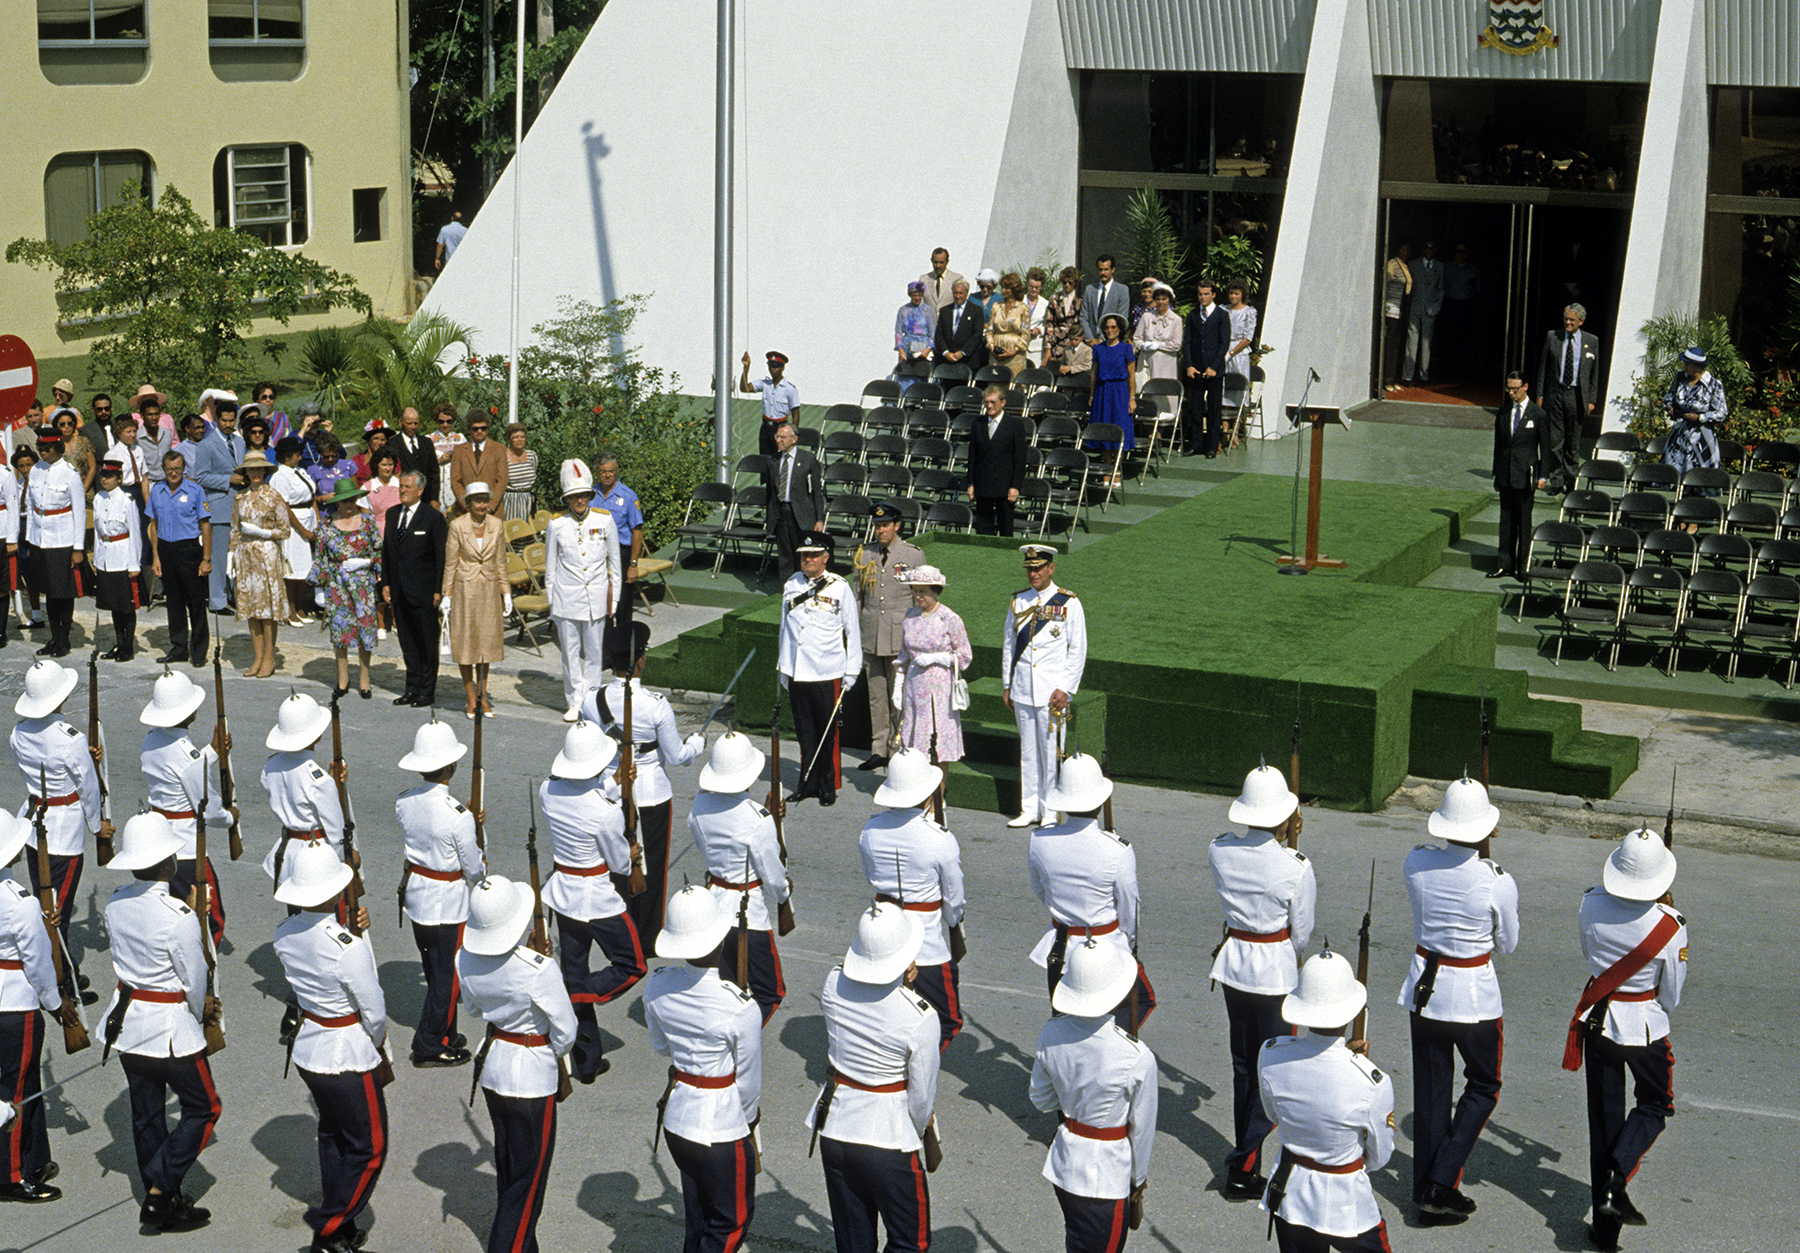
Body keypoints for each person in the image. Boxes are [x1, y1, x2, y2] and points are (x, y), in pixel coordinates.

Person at [1400, 776, 1519, 1224]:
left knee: (1431, 1092)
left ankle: (1425, 1190)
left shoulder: (1417, 862)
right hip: (1472, 996)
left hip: (1426, 988)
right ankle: (1441, 1180)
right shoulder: (1496, 881)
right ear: (1486, 828)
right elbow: (1506, 943)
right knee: (1484, 1086)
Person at [101, 812, 222, 1233]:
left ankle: (163, 1194)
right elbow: (194, 978)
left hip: (130, 1021)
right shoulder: (178, 915)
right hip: (170, 1025)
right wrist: (202, 1011)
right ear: (169, 862)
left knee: (147, 1112)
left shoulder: (116, 901)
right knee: (205, 1107)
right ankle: (160, 1188)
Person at [1571, 829, 1687, 1253]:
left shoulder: (1590, 904)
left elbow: (1590, 955)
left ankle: (1605, 1233)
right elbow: (1671, 992)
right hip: (1644, 1027)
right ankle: (1617, 1178)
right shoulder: (1670, 926)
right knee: (1656, 1104)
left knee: (1604, 1122)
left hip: (1599, 1019)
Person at [271, 838, 388, 1253]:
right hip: (347, 1053)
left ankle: (341, 1226)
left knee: (334, 1135)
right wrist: (376, 1045)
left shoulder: (284, 934)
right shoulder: (348, 948)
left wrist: (352, 932)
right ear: (337, 891)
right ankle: (329, 1224)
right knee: (370, 1147)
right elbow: (373, 1011)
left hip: (310, 1047)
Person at [806, 902, 941, 1253]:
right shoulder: (920, 1016)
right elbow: (921, 1100)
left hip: (835, 1127)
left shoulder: (833, 982)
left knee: (853, 1242)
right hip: (889, 1138)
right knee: (911, 1242)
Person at [1208, 763, 1315, 1199]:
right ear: (1283, 817)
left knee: (1243, 1066)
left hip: (1234, 966)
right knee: (1274, 1070)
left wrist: (1282, 836)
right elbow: (1301, 932)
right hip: (1273, 971)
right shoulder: (1296, 866)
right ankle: (1244, 1163)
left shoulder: (1219, 849)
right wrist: (1288, 843)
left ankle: (1246, 1157)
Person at [456, 877, 577, 1253]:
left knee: (510, 1170)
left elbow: (475, 1009)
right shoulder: (538, 968)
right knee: (528, 1184)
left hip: (494, 1069)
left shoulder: (465, 957)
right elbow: (566, 1031)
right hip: (531, 1077)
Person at [643, 885, 764, 1253]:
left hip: (678, 1118)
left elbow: (662, 1046)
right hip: (722, 1127)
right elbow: (748, 1083)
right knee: (730, 1221)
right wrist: (746, 1126)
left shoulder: (658, 985)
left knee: (698, 1219)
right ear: (721, 939)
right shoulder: (740, 1006)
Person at [1256, 950, 1395, 1253]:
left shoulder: (1271, 1054)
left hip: (1291, 1190)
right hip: (1347, 1202)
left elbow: (1273, 1114)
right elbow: (1380, 1157)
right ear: (1352, 1011)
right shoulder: (1372, 1082)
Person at [1029, 937, 1159, 1253]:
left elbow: (1041, 1099)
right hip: (1107, 1178)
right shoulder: (1136, 1056)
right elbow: (1141, 1131)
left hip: (1064, 1164)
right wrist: (1137, 1181)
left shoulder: (1052, 1032)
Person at [585, 621, 704, 942]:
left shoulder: (592, 700)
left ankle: (619, 931)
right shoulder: (655, 704)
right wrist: (697, 744)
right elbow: (678, 756)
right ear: (640, 660)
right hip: (651, 796)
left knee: (615, 864)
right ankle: (647, 936)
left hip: (609, 791)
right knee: (650, 866)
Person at [540, 720, 643, 1081]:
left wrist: (614, 785)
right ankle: (575, 994)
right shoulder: (606, 812)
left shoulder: (547, 791)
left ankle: (586, 1060)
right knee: (632, 965)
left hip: (563, 892)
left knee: (575, 967)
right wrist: (631, 852)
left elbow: (581, 799)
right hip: (596, 898)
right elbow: (617, 861)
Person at [1029, 753, 1155, 1034]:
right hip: (1107, 945)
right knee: (1142, 1000)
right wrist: (1128, 944)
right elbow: (1129, 906)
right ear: (1100, 801)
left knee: (1066, 1022)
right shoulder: (1117, 849)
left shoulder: (1039, 840)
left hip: (1061, 946)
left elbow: (1041, 889)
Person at [859, 748, 967, 1051]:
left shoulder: (870, 828)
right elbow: (954, 898)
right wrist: (954, 923)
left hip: (882, 933)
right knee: (948, 1021)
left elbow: (870, 874)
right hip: (927, 946)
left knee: (886, 1019)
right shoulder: (939, 837)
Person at [686, 732, 791, 1024]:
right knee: (770, 992)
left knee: (723, 988)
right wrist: (785, 894)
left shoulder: (699, 807)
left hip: (713, 905)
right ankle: (740, 1043)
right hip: (749, 912)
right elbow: (773, 880)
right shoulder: (757, 819)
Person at [396, 718, 483, 1069]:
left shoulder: (405, 801)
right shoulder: (457, 815)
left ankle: (445, 1032)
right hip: (447, 900)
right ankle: (429, 1044)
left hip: (418, 895)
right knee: (449, 977)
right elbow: (473, 866)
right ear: (450, 765)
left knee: (435, 970)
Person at [12, 661, 102, 1001]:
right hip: (64, 831)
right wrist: (98, 827)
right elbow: (88, 789)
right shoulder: (70, 739)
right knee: (56, 913)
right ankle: (60, 983)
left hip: (36, 824)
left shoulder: (18, 732)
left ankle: (64, 968)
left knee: (43, 900)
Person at [0, 810, 74, 1203]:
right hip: (17, 1004)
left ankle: (34, 1157)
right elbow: (38, 962)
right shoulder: (19, 902)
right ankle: (12, 1175)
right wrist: (55, 1001)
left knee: (24, 1085)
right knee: (17, 1091)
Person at [138, 670, 232, 947]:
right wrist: (230, 817)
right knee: (210, 920)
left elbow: (178, 770)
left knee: (173, 912)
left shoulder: (151, 740)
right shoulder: (187, 754)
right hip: (189, 848)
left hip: (160, 840)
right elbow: (210, 810)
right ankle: (204, 977)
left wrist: (213, 752)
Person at [1002, 545, 1087, 828]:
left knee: (1051, 753)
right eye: (1029, 569)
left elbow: (1077, 649)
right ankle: (1029, 808)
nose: (1033, 574)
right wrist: (1007, 683)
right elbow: (1009, 645)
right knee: (1027, 750)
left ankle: (1051, 810)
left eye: (1038, 568)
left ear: (1051, 568)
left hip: (1052, 691)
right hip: (1024, 686)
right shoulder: (1018, 601)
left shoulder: (1068, 602)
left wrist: (1066, 687)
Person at [778, 534, 861, 806]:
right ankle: (807, 782)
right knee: (805, 731)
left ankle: (827, 785)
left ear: (826, 557)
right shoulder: (792, 584)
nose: (808, 559)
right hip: (798, 670)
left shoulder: (839, 587)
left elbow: (852, 631)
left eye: (813, 554)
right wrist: (783, 666)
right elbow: (785, 628)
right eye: (804, 555)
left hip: (826, 670)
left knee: (826, 732)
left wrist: (851, 671)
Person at [545, 459, 621, 721]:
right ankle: (574, 701)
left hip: (597, 598)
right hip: (567, 599)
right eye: (574, 497)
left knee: (594, 653)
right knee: (569, 654)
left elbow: (615, 567)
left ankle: (592, 700)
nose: (579, 500)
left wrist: (615, 601)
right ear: (567, 500)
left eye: (583, 495)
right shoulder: (556, 525)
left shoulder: (605, 520)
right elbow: (550, 570)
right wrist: (553, 606)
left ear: (590, 495)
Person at [852, 503, 924, 769]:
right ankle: (879, 748)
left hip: (899, 635)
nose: (881, 530)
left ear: (897, 526)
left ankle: (898, 747)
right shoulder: (865, 553)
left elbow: (920, 597)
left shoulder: (913, 555)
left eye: (885, 525)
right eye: (877, 525)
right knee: (876, 695)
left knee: (899, 695)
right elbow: (857, 595)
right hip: (871, 632)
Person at [259, 692, 348, 906]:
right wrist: (340, 864)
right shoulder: (318, 780)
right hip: (317, 856)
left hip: (288, 850)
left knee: (296, 914)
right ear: (316, 734)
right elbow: (336, 832)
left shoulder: (271, 765)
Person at [442, 481, 509, 718]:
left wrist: (506, 592)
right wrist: (446, 595)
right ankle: (470, 697)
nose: (481, 505)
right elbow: (451, 562)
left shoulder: (497, 524)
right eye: (476, 500)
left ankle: (483, 696)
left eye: (484, 500)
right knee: (467, 643)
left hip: (490, 589)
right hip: (465, 589)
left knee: (487, 644)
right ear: (468, 503)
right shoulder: (457, 526)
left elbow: (501, 560)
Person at [381, 470, 447, 707]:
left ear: (420, 490)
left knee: (427, 644)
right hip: (399, 591)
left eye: (408, 487)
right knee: (407, 643)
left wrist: (439, 590)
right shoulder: (392, 514)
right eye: (401, 486)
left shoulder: (432, 517)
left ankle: (426, 692)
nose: (403, 490)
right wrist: (386, 582)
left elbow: (441, 557)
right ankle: (411, 688)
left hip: (424, 591)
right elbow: (387, 552)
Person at [894, 565, 971, 761]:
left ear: (935, 591)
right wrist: (898, 684)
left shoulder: (949, 618)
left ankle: (938, 791)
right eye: (915, 591)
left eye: (923, 592)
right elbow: (903, 655)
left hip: (940, 689)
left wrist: (937, 657)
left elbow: (964, 656)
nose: (918, 596)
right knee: (914, 745)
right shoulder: (910, 616)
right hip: (914, 686)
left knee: (938, 746)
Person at [23, 427, 86, 658]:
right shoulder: (37, 470)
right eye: (40, 448)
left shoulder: (70, 473)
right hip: (41, 539)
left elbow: (79, 513)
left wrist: (78, 548)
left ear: (58, 447)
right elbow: (31, 507)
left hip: (62, 539)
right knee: (49, 591)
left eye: (47, 448)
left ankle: (64, 639)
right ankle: (54, 636)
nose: (43, 452)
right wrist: (30, 540)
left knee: (63, 592)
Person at [317, 479, 382, 700]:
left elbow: (379, 552)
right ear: (337, 502)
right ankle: (342, 678)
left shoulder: (367, 522)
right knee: (340, 630)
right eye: (345, 501)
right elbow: (321, 557)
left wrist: (365, 562)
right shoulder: (326, 524)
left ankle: (365, 678)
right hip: (337, 585)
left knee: (365, 629)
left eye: (352, 500)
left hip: (362, 585)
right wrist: (320, 584)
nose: (349, 505)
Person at [146, 450, 211, 665]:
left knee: (196, 602)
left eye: (177, 468)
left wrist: (206, 559)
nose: (173, 473)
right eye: (169, 469)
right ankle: (179, 648)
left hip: (189, 550)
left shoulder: (195, 490)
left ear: (184, 469)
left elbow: (205, 525)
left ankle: (199, 651)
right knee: (173, 602)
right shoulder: (157, 490)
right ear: (163, 469)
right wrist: (156, 556)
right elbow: (153, 525)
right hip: (166, 549)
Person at [229, 449, 291, 677]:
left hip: (266, 554)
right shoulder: (240, 497)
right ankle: (256, 657)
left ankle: (268, 657)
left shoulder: (274, 496)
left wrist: (264, 532)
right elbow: (235, 529)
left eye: (259, 468)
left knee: (267, 609)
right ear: (246, 471)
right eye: (251, 469)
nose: (255, 473)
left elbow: (285, 531)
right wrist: (230, 555)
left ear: (265, 470)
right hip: (245, 556)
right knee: (251, 608)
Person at [1491, 372, 1557, 579]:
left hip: (1526, 474)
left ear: (1525, 387)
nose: (1511, 393)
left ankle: (1522, 567)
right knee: (1506, 521)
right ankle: (1504, 564)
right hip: (1505, 473)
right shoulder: (1503, 413)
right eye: (1508, 389)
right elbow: (1498, 446)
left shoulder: (1538, 414)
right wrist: (1496, 474)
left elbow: (1545, 448)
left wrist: (1543, 475)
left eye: (1515, 389)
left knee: (1523, 522)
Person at [1534, 302, 1599, 490]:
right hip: (1556, 394)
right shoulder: (1552, 337)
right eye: (1566, 319)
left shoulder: (1591, 341)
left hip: (1577, 396)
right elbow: (1544, 368)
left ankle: (1571, 481)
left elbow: (1595, 373)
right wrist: (1540, 394)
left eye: (1572, 320)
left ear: (1581, 321)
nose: (1568, 323)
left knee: (1573, 442)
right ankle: (1556, 480)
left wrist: (1592, 400)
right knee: (1555, 441)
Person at [592, 455, 645, 670]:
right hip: (597, 555)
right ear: (597, 472)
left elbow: (637, 532)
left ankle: (622, 658)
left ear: (617, 472)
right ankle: (605, 657)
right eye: (603, 470)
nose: (607, 474)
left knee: (622, 608)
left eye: (611, 471)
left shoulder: (628, 496)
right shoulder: (590, 494)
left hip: (621, 556)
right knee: (601, 606)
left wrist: (633, 564)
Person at [190, 397, 243, 615]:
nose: (228, 424)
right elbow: (200, 477)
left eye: (232, 421)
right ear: (216, 420)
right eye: (224, 420)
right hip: (219, 505)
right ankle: (217, 600)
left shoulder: (240, 443)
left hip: (240, 504)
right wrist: (227, 480)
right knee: (219, 556)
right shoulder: (206, 445)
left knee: (238, 555)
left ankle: (237, 596)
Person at [91, 456, 143, 660]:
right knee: (113, 604)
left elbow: (135, 534)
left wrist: (134, 563)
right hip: (105, 556)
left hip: (122, 556)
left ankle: (128, 647)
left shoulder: (127, 501)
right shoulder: (98, 498)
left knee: (126, 605)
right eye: (103, 475)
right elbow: (97, 531)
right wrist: (96, 559)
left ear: (119, 478)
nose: (105, 480)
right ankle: (119, 643)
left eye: (110, 476)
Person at [762, 421, 827, 575]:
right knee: (785, 557)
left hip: (802, 515)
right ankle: (787, 591)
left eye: (783, 437)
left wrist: (819, 519)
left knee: (803, 555)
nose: (778, 440)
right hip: (781, 514)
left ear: (794, 439)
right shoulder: (773, 460)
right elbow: (770, 493)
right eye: (777, 437)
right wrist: (770, 519)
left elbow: (816, 492)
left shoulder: (808, 459)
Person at [965, 384, 1028, 537]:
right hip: (983, 484)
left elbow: (1020, 458)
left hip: (1005, 486)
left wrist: (1015, 486)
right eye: (986, 402)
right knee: (983, 529)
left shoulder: (1015, 425)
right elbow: (972, 455)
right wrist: (971, 483)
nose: (989, 405)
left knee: (1006, 529)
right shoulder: (978, 423)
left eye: (993, 402)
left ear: (1003, 403)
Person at [1662, 346, 1727, 485]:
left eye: (1688, 365)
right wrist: (1670, 408)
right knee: (1676, 478)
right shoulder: (1680, 378)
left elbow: (1721, 413)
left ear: (1698, 367)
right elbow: (1668, 397)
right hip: (1680, 435)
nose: (1684, 367)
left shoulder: (1714, 385)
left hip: (1701, 437)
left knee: (1699, 481)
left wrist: (1700, 417)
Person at [273, 437, 320, 626]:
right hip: (293, 526)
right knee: (292, 569)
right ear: (287, 456)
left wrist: (316, 522)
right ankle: (289, 610)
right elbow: (283, 507)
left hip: (308, 518)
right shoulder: (280, 476)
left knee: (305, 569)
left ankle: (300, 607)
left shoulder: (300, 471)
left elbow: (311, 497)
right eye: (297, 455)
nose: (300, 458)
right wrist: (303, 531)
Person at [1182, 282, 1230, 458]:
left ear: (1213, 295)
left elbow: (1223, 344)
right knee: (1195, 408)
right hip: (1196, 369)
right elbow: (1187, 342)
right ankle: (1196, 444)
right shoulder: (1193, 315)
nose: (1203, 297)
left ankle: (1211, 446)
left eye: (1206, 294)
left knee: (1213, 409)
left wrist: (1214, 367)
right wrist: (1189, 365)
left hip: (1214, 371)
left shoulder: (1222, 315)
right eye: (1200, 294)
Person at [1090, 313, 1137, 471]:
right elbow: (1094, 374)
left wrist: (1132, 398)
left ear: (1119, 329)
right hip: (1102, 392)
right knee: (1104, 430)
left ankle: (1116, 470)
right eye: (1107, 327)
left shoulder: (1126, 348)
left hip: (1120, 393)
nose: (1109, 330)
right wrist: (1091, 395)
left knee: (1118, 428)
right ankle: (1107, 468)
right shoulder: (1098, 348)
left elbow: (1131, 375)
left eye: (1113, 327)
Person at [738, 350, 800, 458]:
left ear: (782, 368)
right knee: (765, 461)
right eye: (771, 366)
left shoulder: (789, 389)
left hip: (780, 428)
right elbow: (744, 388)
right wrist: (746, 368)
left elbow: (796, 414)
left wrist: (792, 435)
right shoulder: (765, 384)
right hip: (766, 428)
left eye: (776, 367)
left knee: (779, 461)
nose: (773, 370)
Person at [1404, 239, 1446, 385]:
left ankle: (1424, 375)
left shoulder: (1440, 266)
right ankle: (1408, 376)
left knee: (1426, 343)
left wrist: (1437, 306)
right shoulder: (1413, 265)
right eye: (1426, 247)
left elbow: (1441, 288)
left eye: (1432, 248)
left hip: (1430, 309)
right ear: (1422, 250)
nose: (1429, 250)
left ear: (1435, 250)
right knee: (1412, 341)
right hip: (1416, 307)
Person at [448, 410, 507, 513]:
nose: (480, 431)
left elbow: (502, 481)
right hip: (465, 512)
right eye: (475, 429)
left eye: (483, 428)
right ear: (469, 429)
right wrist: (467, 506)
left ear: (488, 428)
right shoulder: (459, 450)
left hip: (492, 512)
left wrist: (489, 507)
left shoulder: (499, 449)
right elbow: (455, 481)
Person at [1441, 243, 1483, 377]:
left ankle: (1460, 371)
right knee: (1448, 337)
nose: (1461, 255)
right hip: (1450, 304)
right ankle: (1446, 369)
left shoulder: (1472, 268)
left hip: (1465, 305)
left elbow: (1478, 287)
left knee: (1463, 338)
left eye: (1463, 252)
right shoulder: (1447, 267)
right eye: (1458, 252)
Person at [1133, 282, 1183, 390]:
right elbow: (1136, 338)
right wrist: (1144, 346)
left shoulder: (1176, 320)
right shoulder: (1146, 317)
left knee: (1163, 394)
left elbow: (1176, 345)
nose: (1161, 302)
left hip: (1165, 365)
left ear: (1168, 300)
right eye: (1158, 299)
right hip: (1146, 363)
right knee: (1144, 392)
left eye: (1164, 299)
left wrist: (1158, 345)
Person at [391, 406, 441, 507]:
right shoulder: (392, 444)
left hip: (426, 501)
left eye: (416, 423)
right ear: (401, 422)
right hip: (404, 501)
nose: (413, 427)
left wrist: (434, 498)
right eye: (409, 423)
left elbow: (434, 473)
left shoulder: (426, 443)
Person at [985, 272, 1031, 379]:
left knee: (1014, 385)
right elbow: (990, 331)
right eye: (1003, 288)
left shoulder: (1023, 308)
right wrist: (992, 347)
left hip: (1014, 355)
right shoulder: (996, 306)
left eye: (1007, 288)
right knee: (995, 385)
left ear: (1014, 289)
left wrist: (1013, 351)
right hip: (996, 354)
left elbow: (1025, 334)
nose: (1004, 291)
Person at [1381, 243, 1413, 392]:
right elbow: (1385, 283)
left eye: (1407, 250)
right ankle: (1386, 380)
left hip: (1401, 310)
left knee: (1395, 347)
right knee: (1388, 346)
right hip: (1391, 309)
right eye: (1403, 249)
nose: (1405, 252)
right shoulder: (1392, 264)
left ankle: (1392, 379)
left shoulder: (1405, 266)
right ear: (1397, 250)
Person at [935, 280, 985, 372]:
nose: (957, 296)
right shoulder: (945, 311)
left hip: (967, 361)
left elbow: (977, 335)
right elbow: (939, 335)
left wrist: (962, 352)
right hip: (946, 360)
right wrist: (946, 352)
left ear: (966, 294)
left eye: (960, 293)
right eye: (955, 293)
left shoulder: (976, 311)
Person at [1080, 255, 1129, 345]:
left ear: (1113, 269)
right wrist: (1091, 339)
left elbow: (1121, 318)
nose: (1103, 273)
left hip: (1111, 343)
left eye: (1106, 269)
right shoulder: (1089, 290)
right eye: (1100, 269)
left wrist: (1103, 340)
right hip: (1091, 343)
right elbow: (1083, 317)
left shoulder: (1122, 290)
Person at [894, 281, 935, 388]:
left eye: (919, 295)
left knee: (921, 377)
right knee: (906, 378)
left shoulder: (928, 311)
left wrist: (928, 350)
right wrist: (900, 349)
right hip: (907, 349)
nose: (917, 298)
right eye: (914, 295)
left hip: (923, 349)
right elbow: (898, 331)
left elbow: (933, 334)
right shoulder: (903, 310)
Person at [1042, 266, 1084, 369]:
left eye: (1070, 282)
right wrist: (1048, 348)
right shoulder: (1054, 299)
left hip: (1073, 344)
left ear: (1075, 283)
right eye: (1064, 282)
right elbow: (1049, 324)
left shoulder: (1080, 300)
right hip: (1056, 345)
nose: (1067, 285)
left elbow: (1082, 324)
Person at [307, 430, 359, 508]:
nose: (330, 459)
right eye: (326, 457)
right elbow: (309, 498)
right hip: (325, 512)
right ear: (320, 454)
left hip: (347, 510)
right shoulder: (313, 470)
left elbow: (356, 492)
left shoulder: (349, 465)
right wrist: (321, 499)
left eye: (334, 455)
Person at [51, 410, 94, 502]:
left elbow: (92, 468)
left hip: (87, 490)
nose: (67, 427)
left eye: (69, 423)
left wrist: (82, 491)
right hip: (65, 493)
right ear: (56, 427)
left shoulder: (84, 441)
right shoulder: (55, 446)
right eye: (62, 424)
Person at [429, 402, 466, 510]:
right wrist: (438, 461)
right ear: (437, 421)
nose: (445, 425)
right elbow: (425, 466)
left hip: (455, 491)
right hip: (437, 491)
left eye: (449, 421)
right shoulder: (429, 439)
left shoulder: (460, 439)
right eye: (441, 421)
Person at [501, 423, 538, 522]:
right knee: (512, 532)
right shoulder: (503, 457)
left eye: (522, 437)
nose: (519, 440)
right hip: (510, 502)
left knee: (529, 532)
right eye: (515, 437)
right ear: (509, 440)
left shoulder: (531, 456)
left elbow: (533, 471)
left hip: (528, 501)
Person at [919, 246, 962, 312]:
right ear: (931, 261)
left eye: (941, 263)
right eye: (935, 262)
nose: (938, 266)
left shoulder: (956, 279)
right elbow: (919, 304)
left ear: (947, 262)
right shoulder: (923, 280)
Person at [351, 420, 391, 484]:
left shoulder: (390, 460)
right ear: (368, 440)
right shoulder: (357, 459)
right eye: (376, 439)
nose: (379, 442)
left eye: (383, 440)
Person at [1025, 266, 1051, 359]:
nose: (1034, 290)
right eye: (1031, 287)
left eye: (1037, 287)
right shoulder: (1019, 302)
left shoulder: (1046, 304)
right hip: (1020, 346)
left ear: (1041, 287)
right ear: (1027, 285)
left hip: (1036, 349)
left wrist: (1039, 330)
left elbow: (1048, 325)